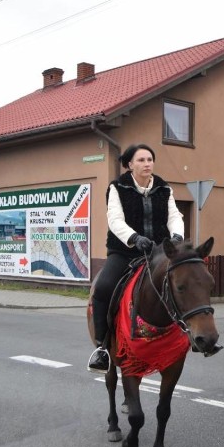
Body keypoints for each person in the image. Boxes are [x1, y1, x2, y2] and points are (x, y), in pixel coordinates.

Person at [87, 144, 185, 373]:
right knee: (102, 288)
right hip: (125, 251)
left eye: (150, 159)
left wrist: (177, 235)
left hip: (158, 252)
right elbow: (115, 219)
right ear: (130, 164)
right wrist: (134, 238)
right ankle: (102, 347)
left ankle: (191, 335)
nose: (147, 164)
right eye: (141, 160)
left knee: (184, 283)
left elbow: (174, 216)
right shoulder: (117, 187)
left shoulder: (163, 188)